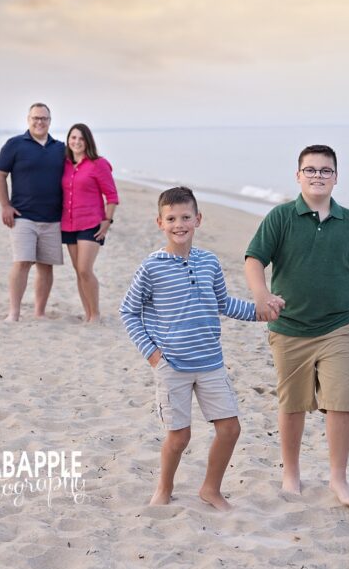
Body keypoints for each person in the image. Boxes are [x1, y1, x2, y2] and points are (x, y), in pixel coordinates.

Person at [245, 145, 349, 507]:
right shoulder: (281, 217)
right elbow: (255, 258)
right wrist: (261, 294)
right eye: (311, 170)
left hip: (338, 327)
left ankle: (338, 478)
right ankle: (291, 472)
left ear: (336, 177)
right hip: (289, 328)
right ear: (298, 175)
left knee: (341, 400)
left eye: (325, 170)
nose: (318, 176)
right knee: (293, 404)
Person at [120, 187, 283, 511]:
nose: (179, 224)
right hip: (172, 365)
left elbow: (223, 303)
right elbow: (128, 311)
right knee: (179, 437)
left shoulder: (209, 261)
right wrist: (152, 354)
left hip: (210, 362)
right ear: (160, 223)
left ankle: (210, 489)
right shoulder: (152, 266)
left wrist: (260, 311)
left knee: (230, 429)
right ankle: (163, 489)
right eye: (171, 219)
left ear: (198, 219)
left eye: (185, 217)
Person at [0, 103, 65, 322]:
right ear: (28, 119)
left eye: (44, 118)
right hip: (22, 216)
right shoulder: (15, 145)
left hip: (52, 218)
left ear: (50, 121)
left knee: (46, 267)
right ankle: (13, 312)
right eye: (35, 118)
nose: (40, 122)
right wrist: (5, 205)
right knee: (22, 262)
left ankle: (39, 312)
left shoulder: (60, 148)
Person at [61, 123, 118, 323]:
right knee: (78, 271)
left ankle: (95, 314)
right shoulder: (65, 164)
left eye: (81, 138)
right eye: (73, 138)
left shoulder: (98, 164)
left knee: (85, 269)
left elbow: (111, 195)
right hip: (68, 224)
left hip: (91, 223)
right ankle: (87, 314)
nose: (76, 142)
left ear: (88, 141)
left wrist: (107, 221)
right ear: (68, 140)